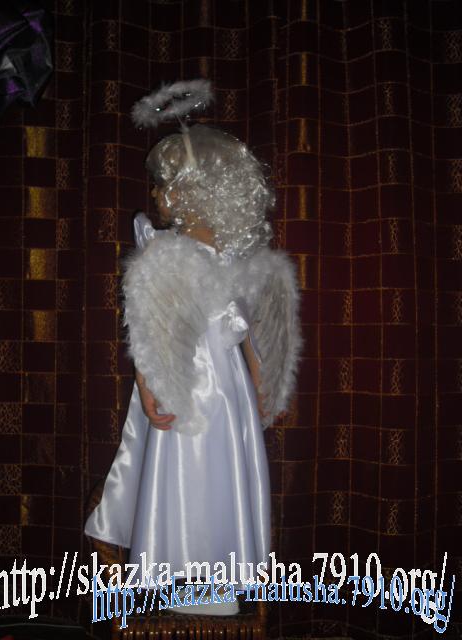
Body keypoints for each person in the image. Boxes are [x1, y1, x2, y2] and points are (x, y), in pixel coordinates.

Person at [85, 123, 302, 615]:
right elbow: (150, 326)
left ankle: (213, 587)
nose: (156, 194)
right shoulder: (166, 251)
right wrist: (149, 383)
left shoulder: (232, 260)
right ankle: (185, 579)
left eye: (166, 183)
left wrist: (260, 382)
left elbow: (246, 329)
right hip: (189, 384)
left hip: (220, 390)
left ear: (200, 192)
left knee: (217, 476)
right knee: (189, 475)